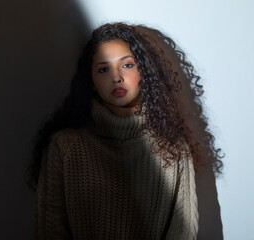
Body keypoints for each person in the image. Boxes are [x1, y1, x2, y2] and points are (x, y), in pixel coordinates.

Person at [26, 22, 223, 240]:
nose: (116, 77)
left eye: (127, 65)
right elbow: (50, 232)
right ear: (92, 82)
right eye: (103, 69)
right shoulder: (64, 146)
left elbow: (182, 234)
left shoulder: (173, 149)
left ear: (144, 72)